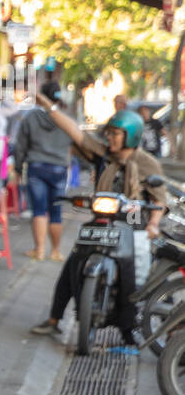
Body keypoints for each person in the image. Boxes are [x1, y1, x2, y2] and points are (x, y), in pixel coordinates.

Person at [28, 105, 166, 346]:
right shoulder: (103, 155)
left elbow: (159, 199)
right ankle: (53, 319)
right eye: (109, 133)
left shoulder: (147, 163)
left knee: (131, 275)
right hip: (102, 220)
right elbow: (75, 132)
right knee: (72, 263)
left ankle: (127, 329)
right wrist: (48, 106)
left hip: (131, 223)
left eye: (115, 134)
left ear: (130, 136)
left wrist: (153, 224)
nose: (109, 137)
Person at [13, 81, 73, 261]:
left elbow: (21, 145)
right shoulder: (65, 117)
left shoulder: (31, 117)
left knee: (38, 209)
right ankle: (55, 251)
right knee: (56, 211)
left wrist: (17, 167)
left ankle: (39, 250)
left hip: (37, 167)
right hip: (59, 168)